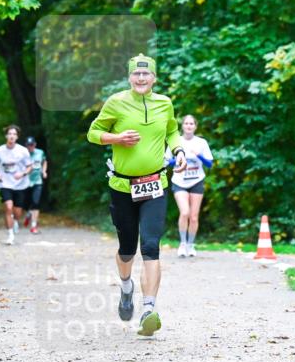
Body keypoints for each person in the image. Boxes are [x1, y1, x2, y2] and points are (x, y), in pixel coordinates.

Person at [87, 54, 186, 336]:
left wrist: (179, 151)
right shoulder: (116, 102)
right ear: (130, 77)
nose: (141, 79)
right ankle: (126, 286)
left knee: (151, 246)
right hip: (122, 187)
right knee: (127, 248)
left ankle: (148, 310)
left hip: (156, 184)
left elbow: (172, 131)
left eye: (146, 75)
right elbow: (93, 133)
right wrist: (116, 139)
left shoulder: (164, 103)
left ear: (154, 77)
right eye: (136, 75)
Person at [168, 115, 214, 257]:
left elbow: (210, 164)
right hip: (179, 182)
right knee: (185, 213)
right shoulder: (176, 141)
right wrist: (178, 160)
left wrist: (198, 155)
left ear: (195, 126)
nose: (188, 126)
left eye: (191, 123)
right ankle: (182, 243)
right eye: (186, 123)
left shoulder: (201, 142)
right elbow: (166, 162)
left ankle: (191, 244)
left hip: (197, 181)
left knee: (194, 217)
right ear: (182, 126)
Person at [0, 125, 32, 245]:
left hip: (20, 184)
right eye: (10, 134)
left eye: (14, 134)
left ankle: (16, 221)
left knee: (17, 211)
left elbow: (30, 166)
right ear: (6, 136)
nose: (12, 136)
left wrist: (23, 173)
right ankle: (10, 235)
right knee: (8, 207)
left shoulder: (23, 151)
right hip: (5, 183)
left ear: (17, 136)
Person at [22, 136, 47, 234]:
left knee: (36, 203)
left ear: (35, 145)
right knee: (26, 204)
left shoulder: (40, 152)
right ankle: (28, 214)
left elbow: (45, 162)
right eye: (28, 145)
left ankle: (33, 226)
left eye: (32, 145)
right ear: (26, 146)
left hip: (37, 181)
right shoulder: (22, 154)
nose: (30, 147)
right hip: (25, 182)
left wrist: (44, 171)